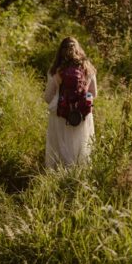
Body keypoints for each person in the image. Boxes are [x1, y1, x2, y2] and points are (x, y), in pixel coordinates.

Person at [44, 36, 97, 169]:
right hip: (81, 114)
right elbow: (93, 94)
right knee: (80, 147)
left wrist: (63, 102)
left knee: (59, 147)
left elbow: (48, 97)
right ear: (78, 49)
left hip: (60, 113)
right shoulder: (88, 69)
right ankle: (78, 174)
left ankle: (57, 174)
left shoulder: (56, 70)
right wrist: (81, 104)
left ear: (60, 51)